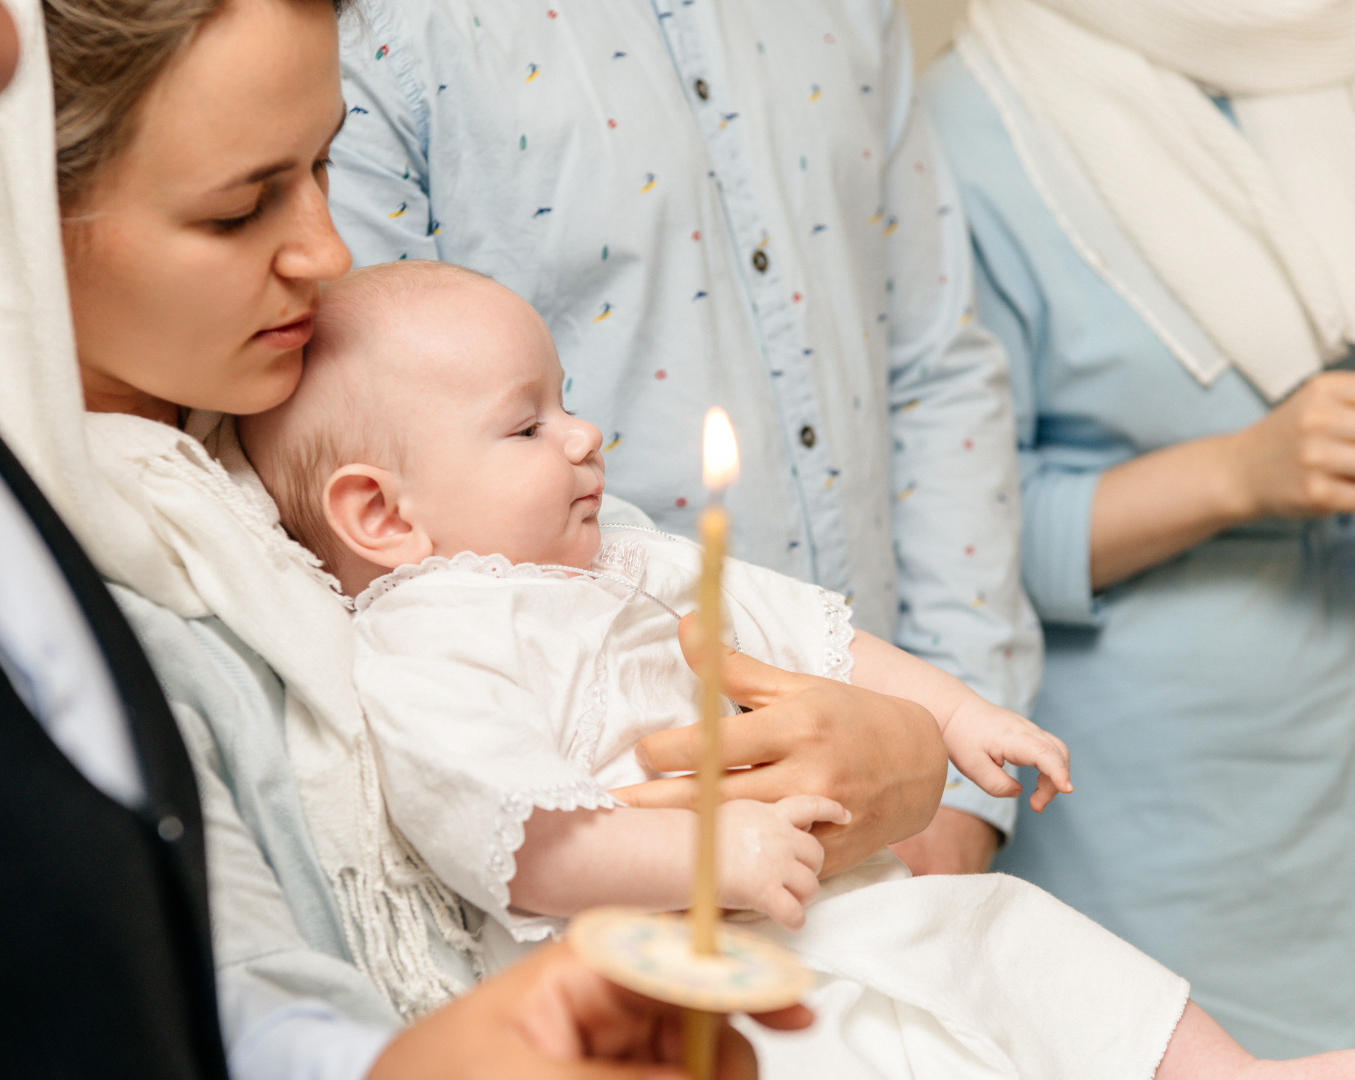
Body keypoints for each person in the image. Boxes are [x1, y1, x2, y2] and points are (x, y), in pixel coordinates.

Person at [0, 0, 940, 1071]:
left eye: (323, 164)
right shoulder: (22, 600)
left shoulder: (314, 418)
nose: (327, 253)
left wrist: (903, 749)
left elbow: (633, 594)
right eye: (242, 210)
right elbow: (218, 996)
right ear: (13, 219)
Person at [238, 257, 1355, 1078]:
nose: (584, 439)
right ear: (380, 514)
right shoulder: (424, 646)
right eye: (525, 427)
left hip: (829, 890)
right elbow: (518, 839)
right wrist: (710, 851)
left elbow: (810, 637)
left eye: (569, 402)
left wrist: (956, 711)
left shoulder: (628, 556)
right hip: (675, 958)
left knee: (1007, 936)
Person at [325, 0, 1042, 875]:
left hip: (904, 795)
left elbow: (933, 370)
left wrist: (949, 780)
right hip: (617, 849)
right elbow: (363, 426)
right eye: (533, 423)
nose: (582, 437)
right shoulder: (380, 30)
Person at [919, 0, 1355, 1056]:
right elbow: (953, 525)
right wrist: (1239, 472)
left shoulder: (1330, 56)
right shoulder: (966, 122)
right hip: (1154, 805)